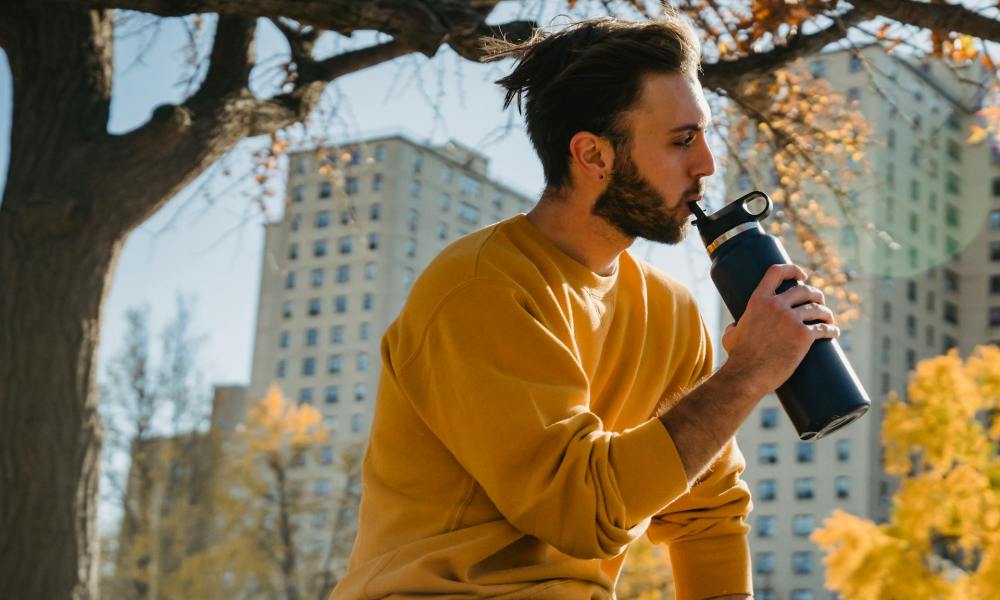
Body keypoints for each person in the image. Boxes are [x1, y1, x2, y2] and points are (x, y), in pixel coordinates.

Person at [331, 14, 838, 600]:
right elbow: (580, 510)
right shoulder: (482, 288)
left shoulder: (669, 309)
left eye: (702, 136)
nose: (707, 165)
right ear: (593, 155)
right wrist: (748, 373)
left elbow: (709, 515)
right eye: (680, 141)